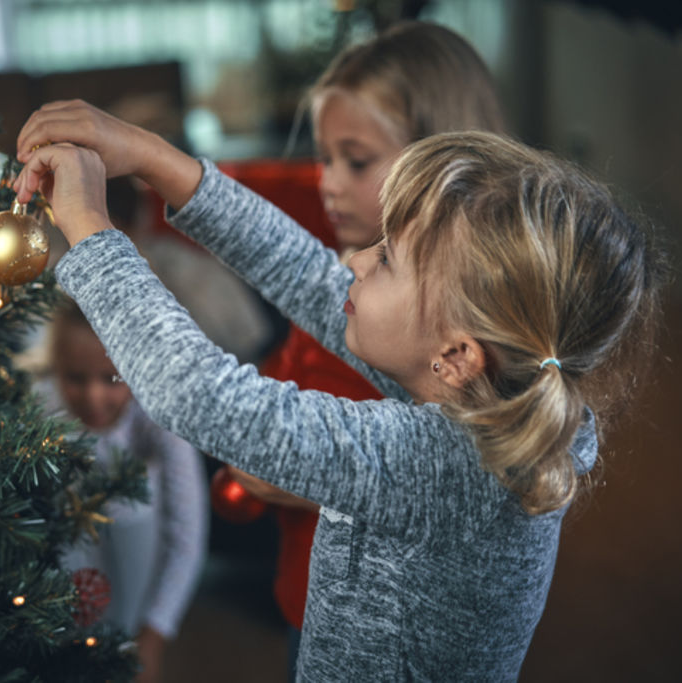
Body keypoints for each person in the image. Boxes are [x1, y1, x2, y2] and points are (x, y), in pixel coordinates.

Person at [11, 101, 664, 680]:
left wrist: (91, 229)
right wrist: (152, 157)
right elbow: (307, 272)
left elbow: (198, 393)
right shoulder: (498, 393)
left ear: (457, 354)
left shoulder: (443, 460)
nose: (353, 260)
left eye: (385, 260)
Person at [235, 20, 508, 678]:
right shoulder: (354, 277)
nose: (327, 183)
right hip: (308, 583)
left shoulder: (425, 340)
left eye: (354, 161)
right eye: (325, 158)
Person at [37, 300, 208, 683]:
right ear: (57, 367)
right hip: (60, 591)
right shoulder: (41, 410)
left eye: (111, 379)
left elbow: (186, 538)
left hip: (135, 591)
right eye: (76, 378)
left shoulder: (161, 417)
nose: (94, 397)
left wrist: (153, 635)